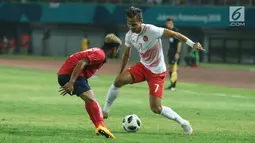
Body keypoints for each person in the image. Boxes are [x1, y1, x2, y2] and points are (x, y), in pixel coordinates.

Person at [102, 6, 204, 135]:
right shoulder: (129, 35)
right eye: (129, 24)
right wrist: (120, 72)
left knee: (156, 108)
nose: (131, 27)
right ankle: (104, 111)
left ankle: (184, 123)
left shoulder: (152, 30)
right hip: (143, 67)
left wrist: (192, 44)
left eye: (134, 24)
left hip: (157, 72)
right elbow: (126, 55)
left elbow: (174, 34)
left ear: (141, 21)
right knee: (118, 81)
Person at [57, 33, 122, 139]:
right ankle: (101, 126)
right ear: (114, 49)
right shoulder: (100, 55)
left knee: (90, 100)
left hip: (68, 74)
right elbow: (81, 63)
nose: (117, 52)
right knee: (92, 101)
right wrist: (71, 82)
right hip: (71, 74)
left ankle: (98, 127)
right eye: (118, 49)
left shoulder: (98, 51)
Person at [165, 18, 182, 91]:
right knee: (169, 68)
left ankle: (174, 86)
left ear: (172, 23)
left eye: (169, 23)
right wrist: (168, 52)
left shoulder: (176, 31)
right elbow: (171, 44)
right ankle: (171, 84)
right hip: (171, 52)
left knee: (174, 68)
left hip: (175, 52)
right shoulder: (169, 32)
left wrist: (177, 53)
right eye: (167, 23)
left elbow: (179, 43)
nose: (168, 24)